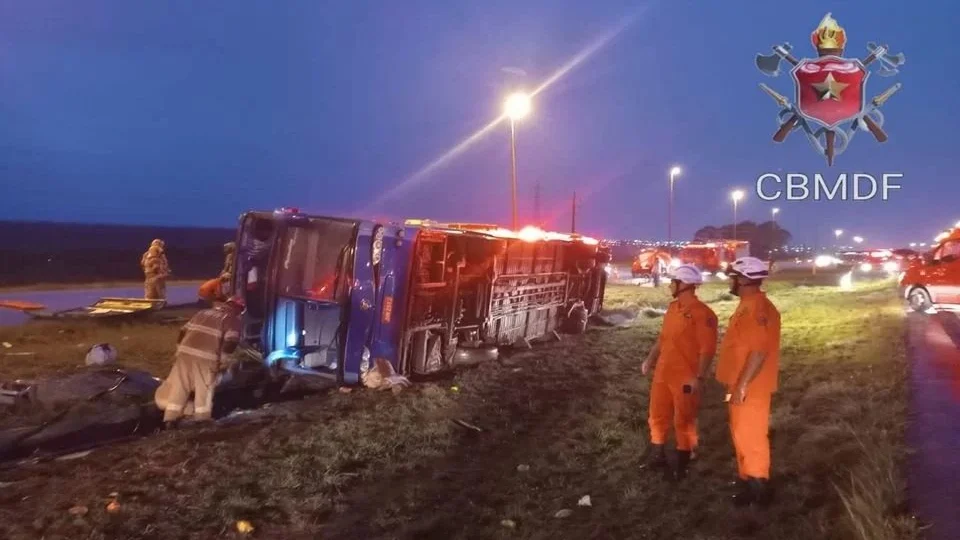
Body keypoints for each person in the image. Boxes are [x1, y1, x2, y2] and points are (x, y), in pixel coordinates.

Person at [640, 264, 718, 480]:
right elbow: (663, 339)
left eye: (673, 282)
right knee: (657, 414)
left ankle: (682, 463)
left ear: (684, 284)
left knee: (684, 419)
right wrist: (650, 359)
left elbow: (708, 349)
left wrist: (699, 377)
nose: (670, 285)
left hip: (686, 376)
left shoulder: (703, 314)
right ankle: (658, 455)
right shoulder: (673, 309)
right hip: (664, 373)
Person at [716, 257, 781, 506]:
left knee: (751, 436)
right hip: (738, 384)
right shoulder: (747, 304)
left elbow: (759, 351)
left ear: (743, 279)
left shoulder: (757, 308)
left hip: (750, 387)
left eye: (733, 277)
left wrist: (743, 385)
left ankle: (759, 489)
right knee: (740, 433)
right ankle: (746, 482)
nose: (731, 282)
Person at [154, 296, 244, 427]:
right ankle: (202, 420)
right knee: (205, 388)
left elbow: (182, 331)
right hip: (206, 358)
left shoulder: (202, 313)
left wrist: (179, 350)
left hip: (184, 355)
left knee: (180, 386)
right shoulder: (232, 319)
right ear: (238, 309)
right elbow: (231, 342)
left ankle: (170, 419)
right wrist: (224, 360)